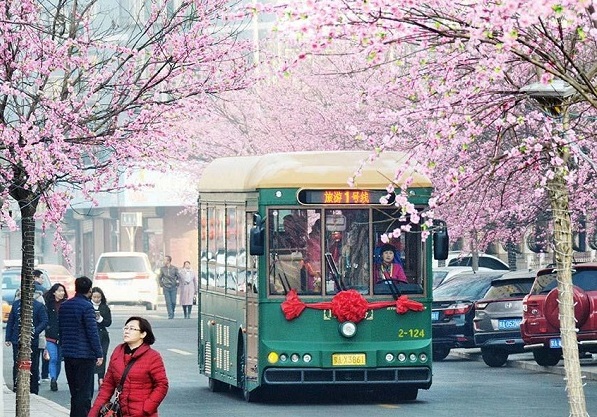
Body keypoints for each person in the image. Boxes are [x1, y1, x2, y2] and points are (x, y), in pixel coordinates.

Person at [88, 316, 169, 417]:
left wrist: (146, 408)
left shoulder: (153, 356)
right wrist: (94, 412)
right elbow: (107, 386)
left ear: (143, 334)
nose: (127, 331)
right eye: (126, 328)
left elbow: (162, 385)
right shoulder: (118, 352)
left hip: (143, 413)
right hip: (121, 412)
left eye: (132, 329)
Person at [59, 276, 104, 417]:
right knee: (84, 393)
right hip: (84, 356)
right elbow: (92, 332)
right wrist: (99, 353)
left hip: (69, 354)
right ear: (90, 290)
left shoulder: (64, 305)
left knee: (74, 392)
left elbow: (61, 328)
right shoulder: (87, 307)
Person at [4, 288, 48, 394]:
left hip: (32, 341)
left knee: (33, 365)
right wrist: (8, 337)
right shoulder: (15, 305)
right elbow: (11, 321)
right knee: (17, 363)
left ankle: (33, 389)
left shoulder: (38, 306)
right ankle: (17, 386)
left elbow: (44, 321)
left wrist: (35, 332)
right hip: (17, 339)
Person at [43, 283, 68, 392]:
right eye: (59, 291)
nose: (61, 293)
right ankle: (53, 379)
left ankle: (55, 378)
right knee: (53, 358)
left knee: (58, 360)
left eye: (62, 291)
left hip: (63, 336)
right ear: (54, 292)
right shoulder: (48, 304)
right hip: (51, 336)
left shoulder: (66, 304)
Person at [91, 287, 112, 388]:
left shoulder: (104, 308)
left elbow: (108, 323)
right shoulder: (88, 306)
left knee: (102, 356)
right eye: (94, 297)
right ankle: (90, 378)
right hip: (90, 335)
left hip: (102, 335)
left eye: (98, 297)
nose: (96, 299)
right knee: (91, 357)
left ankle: (101, 379)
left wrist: (100, 319)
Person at [33, 269, 50, 382]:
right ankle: (44, 375)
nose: (42, 280)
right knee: (43, 352)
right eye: (41, 278)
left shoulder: (20, 290)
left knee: (34, 355)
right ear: (35, 277)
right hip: (41, 328)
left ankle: (36, 376)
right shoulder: (43, 291)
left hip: (34, 328)